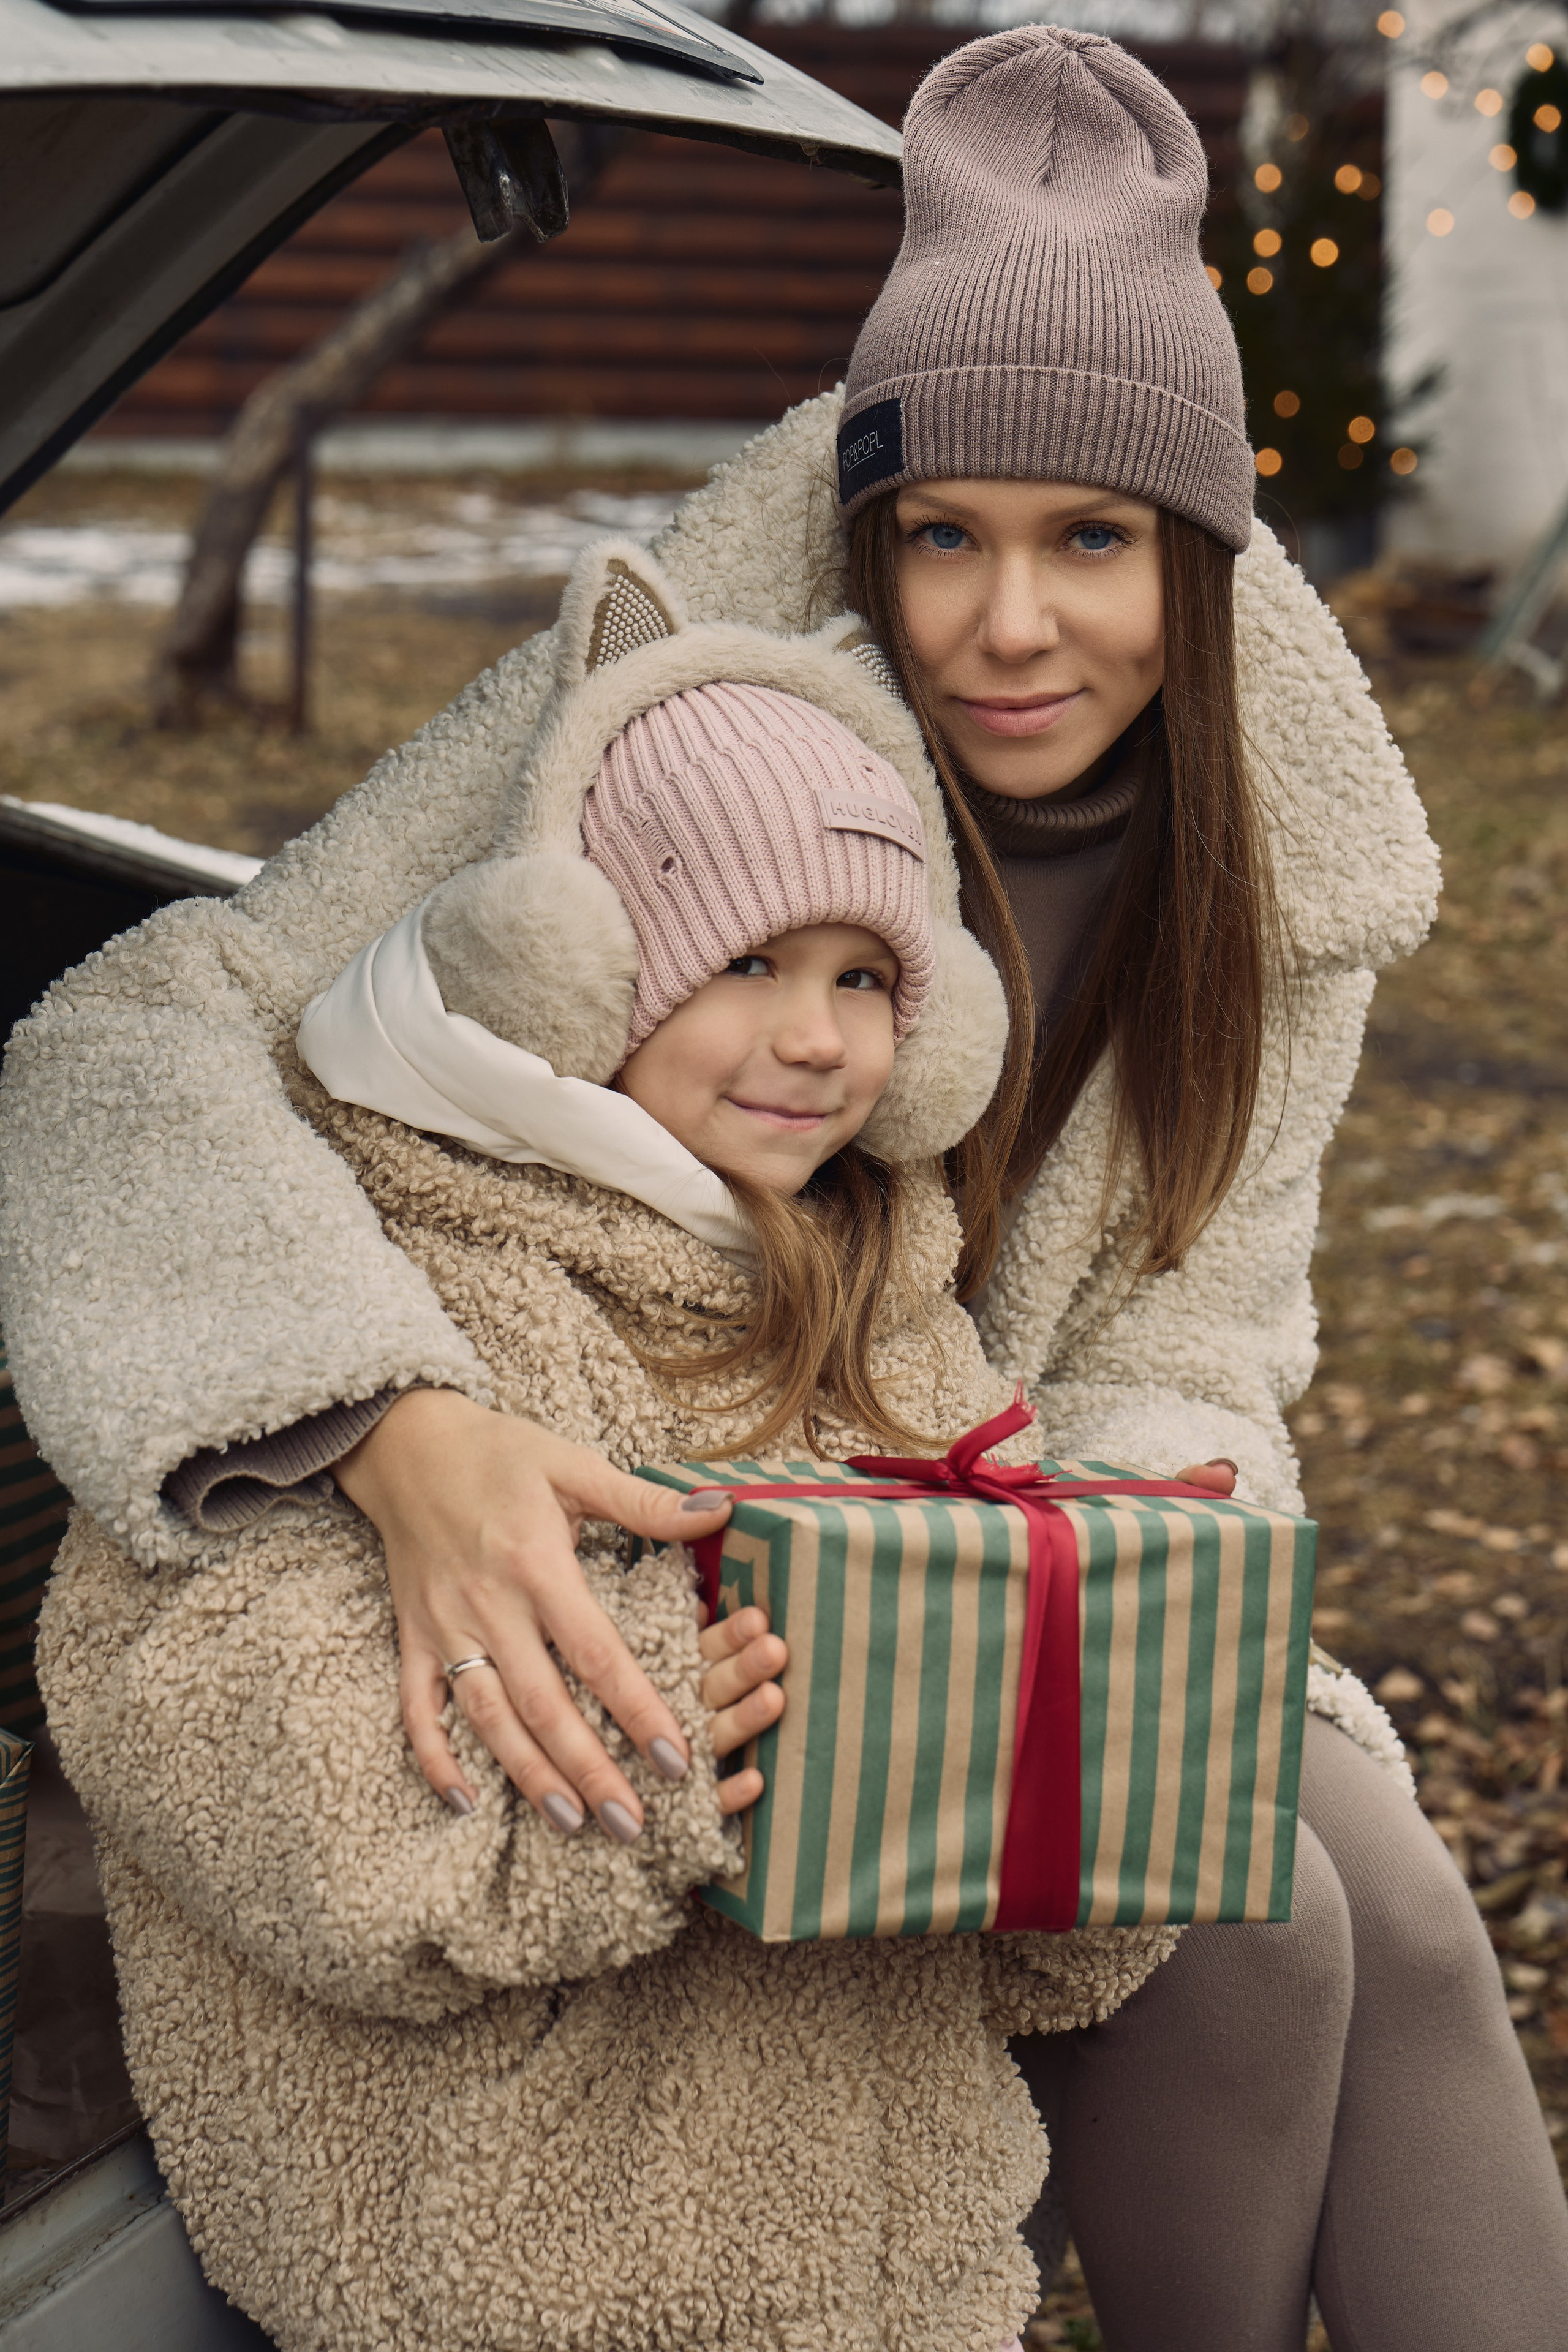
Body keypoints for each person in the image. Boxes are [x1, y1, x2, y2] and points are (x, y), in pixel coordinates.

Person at [3, 23, 1564, 2351]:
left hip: (1000, 1497)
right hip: (693, 1459)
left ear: (1204, 559)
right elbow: (145, 1025)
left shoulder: (1278, 877)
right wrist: (382, 1421)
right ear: (867, 526)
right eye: (946, 534)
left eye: (1095, 546)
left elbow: (1193, 1349)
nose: (1010, 627)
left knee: (1392, 1917)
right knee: (1278, 1928)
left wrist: (1088, 1594)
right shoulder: (706, 723)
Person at [33, 564, 1174, 2351]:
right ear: (573, 972)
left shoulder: (885, 1304)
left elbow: (1017, 1935)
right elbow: (213, 1732)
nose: (817, 1040)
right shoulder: (377, 1296)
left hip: (906, 2252)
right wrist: (663, 1733)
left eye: (868, 977)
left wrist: (1085, 1784)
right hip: (524, 2271)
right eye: (746, 964)